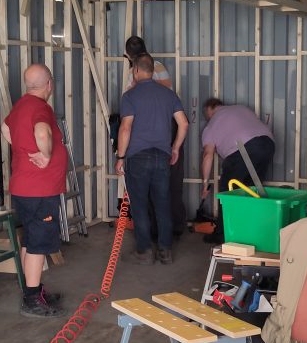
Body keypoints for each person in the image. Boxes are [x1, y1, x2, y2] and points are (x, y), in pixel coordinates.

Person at [2, 64, 67, 318]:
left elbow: (5, 128)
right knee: (39, 244)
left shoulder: (19, 106)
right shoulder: (42, 108)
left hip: (23, 188)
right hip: (40, 188)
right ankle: (31, 300)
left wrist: (22, 147)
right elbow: (42, 131)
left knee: (30, 239)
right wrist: (46, 155)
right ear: (49, 84)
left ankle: (34, 290)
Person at [115, 54, 188, 264]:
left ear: (136, 70)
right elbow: (183, 124)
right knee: (163, 203)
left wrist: (120, 156)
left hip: (137, 157)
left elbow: (125, 128)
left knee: (139, 205)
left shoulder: (130, 96)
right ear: (152, 71)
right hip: (162, 157)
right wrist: (175, 148)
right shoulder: (168, 94)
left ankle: (144, 251)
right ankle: (165, 251)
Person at [200, 97, 276, 244]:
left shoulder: (211, 124)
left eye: (207, 114)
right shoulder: (241, 108)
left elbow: (208, 155)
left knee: (228, 192)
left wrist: (205, 184)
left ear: (210, 110)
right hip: (267, 144)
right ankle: (252, 231)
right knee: (252, 190)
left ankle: (222, 234)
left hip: (243, 149)